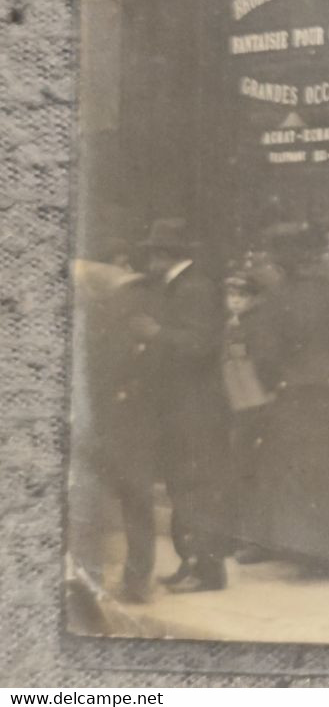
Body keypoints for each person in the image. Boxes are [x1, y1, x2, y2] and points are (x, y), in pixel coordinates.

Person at [246, 225, 329, 575]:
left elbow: (264, 354)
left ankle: (304, 555)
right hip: (325, 392)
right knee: (326, 474)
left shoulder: (277, 300)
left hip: (291, 392)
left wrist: (272, 384)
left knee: (294, 475)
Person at [130, 218, 232, 593]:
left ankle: (206, 570)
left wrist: (155, 334)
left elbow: (200, 344)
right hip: (182, 407)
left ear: (163, 255)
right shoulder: (181, 287)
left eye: (153, 254)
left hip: (196, 408)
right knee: (184, 486)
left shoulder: (194, 288)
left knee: (195, 487)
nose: (150, 263)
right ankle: (192, 562)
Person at [74, 243, 161, 603]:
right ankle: (100, 578)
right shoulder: (95, 315)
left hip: (123, 418)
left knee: (133, 498)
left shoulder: (118, 313)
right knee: (115, 500)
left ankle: (136, 579)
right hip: (102, 418)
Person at [218, 258, 276, 566]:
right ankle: (238, 536)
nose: (235, 301)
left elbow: (265, 363)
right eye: (231, 296)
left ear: (253, 299)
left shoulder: (257, 325)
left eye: (241, 296)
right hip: (236, 404)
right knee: (238, 472)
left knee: (251, 473)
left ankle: (256, 541)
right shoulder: (230, 326)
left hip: (255, 404)